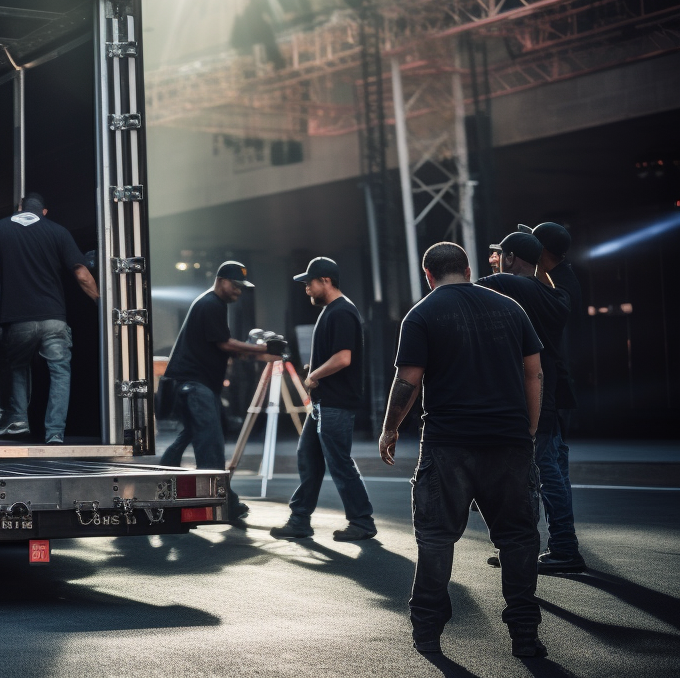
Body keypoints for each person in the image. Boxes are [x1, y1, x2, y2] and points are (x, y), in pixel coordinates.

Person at [380, 242, 546, 659]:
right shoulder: (510, 308)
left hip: (448, 444)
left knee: (436, 538)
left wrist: (390, 429)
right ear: (469, 269)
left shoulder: (421, 314)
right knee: (519, 540)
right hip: (508, 442)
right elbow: (535, 373)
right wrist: (528, 429)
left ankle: (428, 634)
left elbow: (408, 381)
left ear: (428, 274)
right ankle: (525, 635)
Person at [159, 261, 276, 520]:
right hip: (196, 387)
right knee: (211, 447)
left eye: (241, 288)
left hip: (190, 386)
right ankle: (224, 504)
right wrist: (263, 349)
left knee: (188, 437)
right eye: (235, 286)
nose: (238, 292)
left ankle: (159, 490)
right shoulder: (211, 304)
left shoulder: (211, 304)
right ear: (221, 280)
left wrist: (254, 354)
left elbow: (219, 347)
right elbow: (224, 344)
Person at [271, 257, 376, 541]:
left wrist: (313, 375)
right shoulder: (333, 310)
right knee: (308, 458)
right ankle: (300, 520)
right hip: (324, 404)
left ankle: (362, 522)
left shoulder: (342, 311)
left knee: (339, 462)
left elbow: (343, 358)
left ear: (326, 280)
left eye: (309, 283)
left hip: (336, 404)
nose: (306, 288)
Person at [0, 193, 99, 444]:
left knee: (17, 368)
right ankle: (55, 432)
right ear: (44, 211)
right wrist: (100, 301)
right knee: (60, 373)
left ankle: (19, 420)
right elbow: (81, 274)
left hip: (18, 319)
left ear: (19, 208)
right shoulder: (58, 231)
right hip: (53, 318)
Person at [526, 222, 585, 574]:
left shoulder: (558, 284)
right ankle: (559, 546)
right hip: (555, 388)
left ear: (542, 250)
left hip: (549, 388)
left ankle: (563, 548)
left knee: (549, 469)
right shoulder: (560, 277)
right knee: (552, 468)